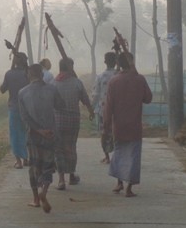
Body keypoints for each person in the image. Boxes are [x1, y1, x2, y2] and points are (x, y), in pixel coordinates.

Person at [103, 52, 153, 197]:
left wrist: (106, 126)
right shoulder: (139, 79)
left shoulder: (114, 81)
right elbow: (148, 98)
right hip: (134, 125)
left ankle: (119, 183)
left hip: (118, 125)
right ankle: (129, 188)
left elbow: (108, 106)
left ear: (119, 64)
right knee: (133, 157)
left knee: (119, 153)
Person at [18, 63, 64, 213]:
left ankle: (36, 199)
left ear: (28, 75)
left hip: (33, 136)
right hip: (50, 134)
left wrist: (38, 130)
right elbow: (60, 106)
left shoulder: (22, 93)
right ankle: (44, 192)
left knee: (34, 166)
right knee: (48, 166)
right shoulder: (52, 89)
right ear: (42, 75)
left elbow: (24, 118)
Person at [53, 57, 94, 190]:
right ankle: (71, 175)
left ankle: (60, 180)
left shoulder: (53, 84)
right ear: (70, 68)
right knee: (70, 147)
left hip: (57, 121)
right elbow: (85, 100)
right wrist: (91, 112)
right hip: (72, 121)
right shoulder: (77, 83)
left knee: (58, 149)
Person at [0, 52, 29, 169]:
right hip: (28, 108)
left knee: (15, 134)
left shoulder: (9, 74)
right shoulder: (28, 74)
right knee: (26, 133)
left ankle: (19, 161)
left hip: (14, 108)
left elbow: (2, 89)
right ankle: (26, 158)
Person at [91, 52, 118, 164]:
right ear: (116, 62)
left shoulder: (100, 77)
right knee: (117, 132)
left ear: (105, 61)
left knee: (104, 132)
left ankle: (107, 157)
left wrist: (91, 109)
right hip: (118, 110)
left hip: (104, 110)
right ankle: (117, 156)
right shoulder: (120, 75)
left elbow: (96, 95)